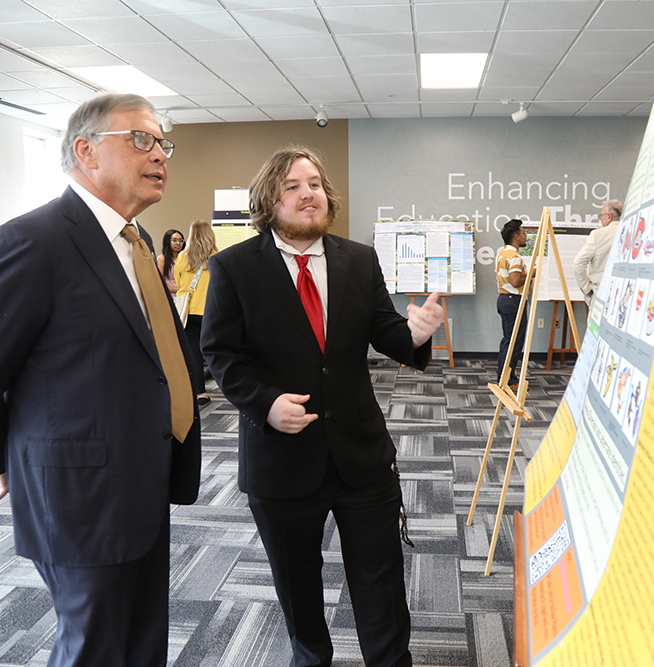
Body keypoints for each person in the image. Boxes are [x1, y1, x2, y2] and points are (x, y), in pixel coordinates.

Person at [0, 93, 202, 667]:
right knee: (94, 649)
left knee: (141, 642)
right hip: (79, 497)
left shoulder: (136, 241)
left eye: (162, 143)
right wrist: (2, 460)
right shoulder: (33, 241)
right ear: (86, 150)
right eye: (141, 140)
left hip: (142, 480)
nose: (159, 155)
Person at [202, 146, 443, 667]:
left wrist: (416, 335)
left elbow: (389, 335)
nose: (307, 192)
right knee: (299, 588)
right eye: (291, 185)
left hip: (361, 456)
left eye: (314, 183)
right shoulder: (233, 268)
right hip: (281, 460)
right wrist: (264, 405)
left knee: (380, 584)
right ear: (269, 199)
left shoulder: (358, 259)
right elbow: (221, 355)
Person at [175, 219, 217, 406]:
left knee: (193, 355)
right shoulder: (217, 257)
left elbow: (178, 283)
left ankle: (200, 393)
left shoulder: (183, 257)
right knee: (215, 352)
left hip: (189, 312)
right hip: (211, 311)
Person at [496, 218, 529, 389]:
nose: (525, 237)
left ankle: (505, 377)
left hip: (504, 299)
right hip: (514, 300)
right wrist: (533, 273)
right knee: (514, 342)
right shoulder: (514, 257)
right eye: (523, 233)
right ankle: (508, 380)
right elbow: (516, 281)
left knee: (508, 340)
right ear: (516, 237)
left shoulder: (502, 253)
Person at [573, 200, 622, 306]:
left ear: (609, 216)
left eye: (602, 215)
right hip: (623, 293)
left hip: (601, 293)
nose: (600, 219)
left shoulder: (598, 235)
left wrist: (587, 290)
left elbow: (578, 263)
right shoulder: (630, 232)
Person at [156, 228, 184, 295]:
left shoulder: (184, 259)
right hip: (169, 295)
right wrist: (181, 290)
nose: (178, 243)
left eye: (181, 241)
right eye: (174, 240)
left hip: (182, 296)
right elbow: (159, 284)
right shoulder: (162, 259)